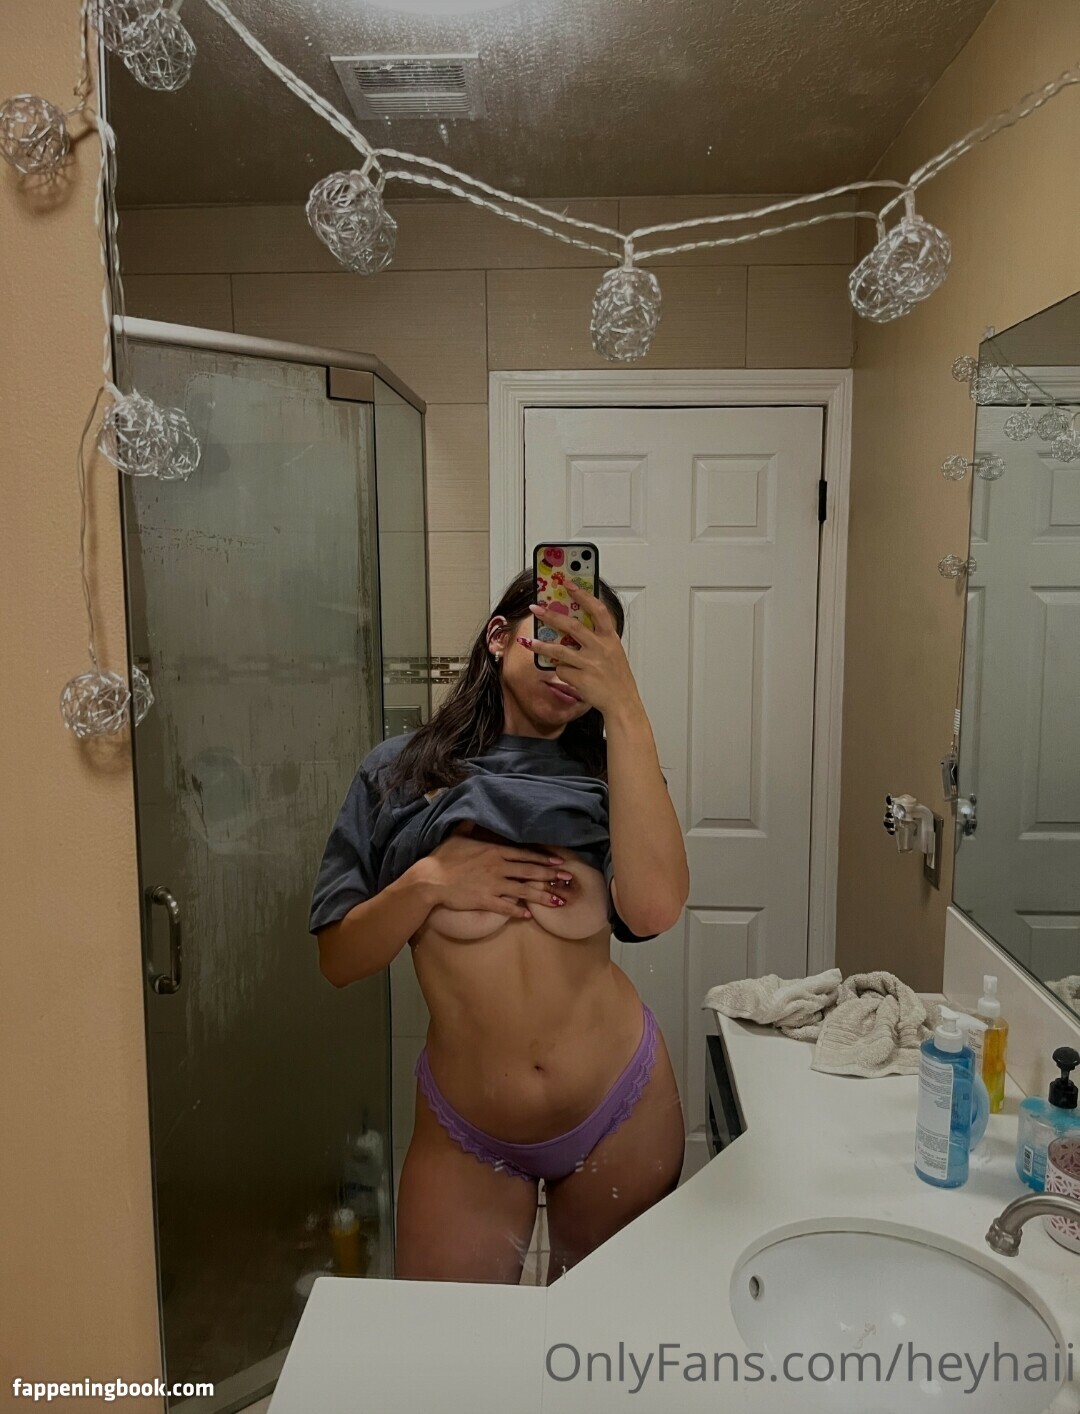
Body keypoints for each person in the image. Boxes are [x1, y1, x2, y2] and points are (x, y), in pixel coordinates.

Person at [309, 567, 689, 1284]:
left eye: (591, 647)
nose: (568, 663)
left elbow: (655, 909)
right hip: (467, 1131)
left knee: (598, 1340)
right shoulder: (398, 774)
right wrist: (430, 881)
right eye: (552, 635)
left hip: (621, 1106)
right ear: (498, 638)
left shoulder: (615, 772)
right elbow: (339, 959)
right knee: (455, 1345)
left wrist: (626, 708)